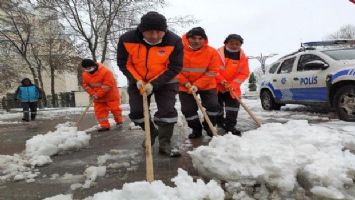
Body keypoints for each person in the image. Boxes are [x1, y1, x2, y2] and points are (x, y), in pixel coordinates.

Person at [117, 11, 183, 157]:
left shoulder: (175, 41)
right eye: (149, 32)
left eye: (159, 32)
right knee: (136, 113)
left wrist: (153, 83)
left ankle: (165, 143)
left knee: (167, 112)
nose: (154, 36)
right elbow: (124, 63)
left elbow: (175, 67)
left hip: (165, 81)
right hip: (138, 81)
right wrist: (137, 80)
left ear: (164, 30)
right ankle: (151, 132)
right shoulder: (126, 39)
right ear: (141, 30)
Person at [177, 27, 220, 139]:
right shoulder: (178, 50)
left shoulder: (212, 52)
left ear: (204, 39)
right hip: (184, 85)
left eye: (200, 38)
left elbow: (212, 72)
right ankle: (196, 129)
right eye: (193, 38)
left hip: (207, 84)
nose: (196, 41)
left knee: (213, 106)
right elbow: (174, 69)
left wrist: (197, 85)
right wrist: (185, 83)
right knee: (188, 109)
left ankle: (209, 126)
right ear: (188, 38)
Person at [216, 34, 250, 136]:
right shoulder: (217, 54)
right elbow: (213, 69)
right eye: (231, 43)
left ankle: (230, 127)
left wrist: (232, 85)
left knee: (233, 108)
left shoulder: (243, 58)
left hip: (232, 88)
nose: (234, 45)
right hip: (217, 86)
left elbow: (244, 73)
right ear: (226, 43)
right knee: (217, 108)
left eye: (237, 44)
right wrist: (222, 81)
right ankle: (220, 124)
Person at [81, 59, 123, 132]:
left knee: (115, 110)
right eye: (86, 68)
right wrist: (92, 93)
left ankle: (119, 121)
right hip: (97, 98)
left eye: (89, 67)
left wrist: (98, 94)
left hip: (111, 96)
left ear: (94, 65)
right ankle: (104, 126)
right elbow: (85, 85)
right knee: (100, 112)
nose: (88, 70)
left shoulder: (106, 72)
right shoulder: (85, 75)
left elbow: (108, 85)